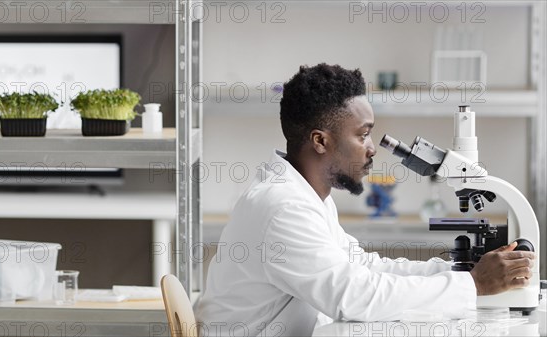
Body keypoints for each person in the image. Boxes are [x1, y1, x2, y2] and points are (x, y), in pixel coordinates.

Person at [195, 64, 535, 337]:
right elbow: (355, 297)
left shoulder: (305, 195)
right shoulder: (284, 208)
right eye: (362, 134)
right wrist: (473, 285)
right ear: (320, 141)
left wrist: (457, 270)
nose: (371, 147)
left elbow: (361, 267)